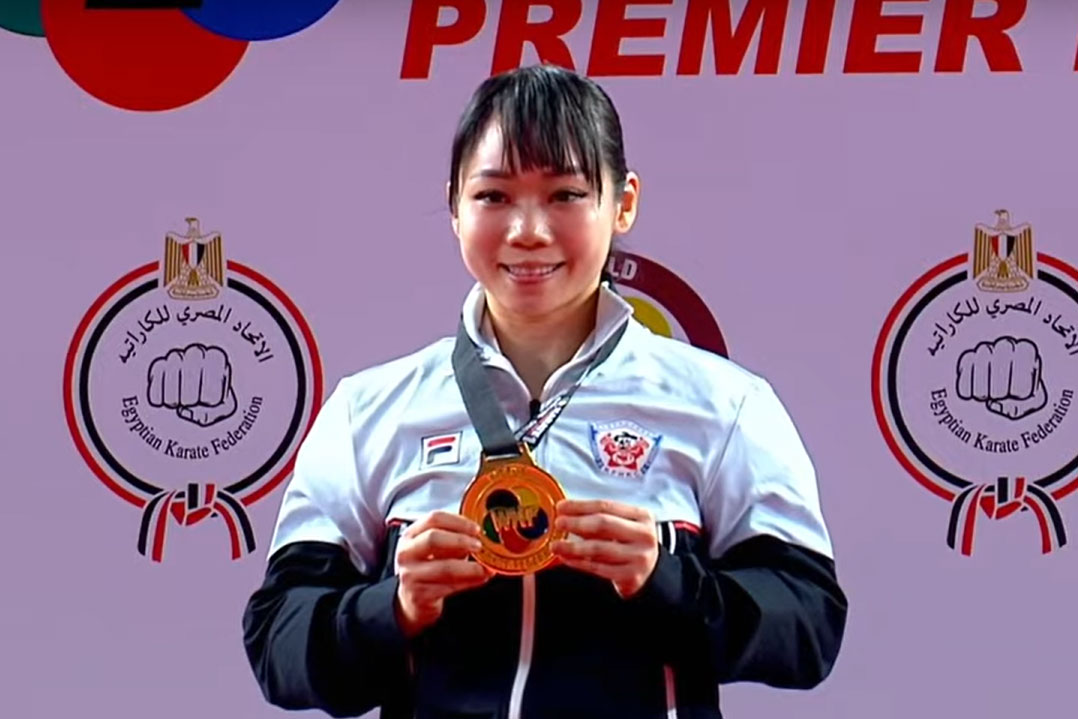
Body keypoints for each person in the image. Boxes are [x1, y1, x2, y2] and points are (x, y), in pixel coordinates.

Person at [242, 64, 847, 719]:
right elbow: (279, 642)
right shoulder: (368, 411)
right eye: (493, 196)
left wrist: (668, 580)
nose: (527, 230)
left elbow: (809, 627)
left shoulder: (725, 405)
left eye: (565, 194)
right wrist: (394, 606)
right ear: (454, 207)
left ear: (624, 203)